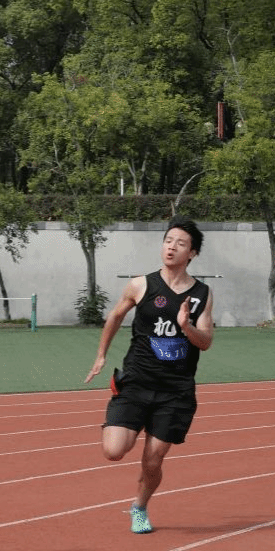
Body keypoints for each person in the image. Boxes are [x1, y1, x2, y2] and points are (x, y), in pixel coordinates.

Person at [85, 217, 215, 533]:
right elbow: (115, 316)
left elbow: (206, 342)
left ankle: (139, 507)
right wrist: (101, 354)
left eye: (180, 243)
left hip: (175, 390)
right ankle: (129, 420)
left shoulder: (202, 294)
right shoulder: (140, 285)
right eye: (168, 240)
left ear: (192, 253)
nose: (171, 247)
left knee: (153, 460)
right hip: (137, 380)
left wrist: (186, 326)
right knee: (113, 451)